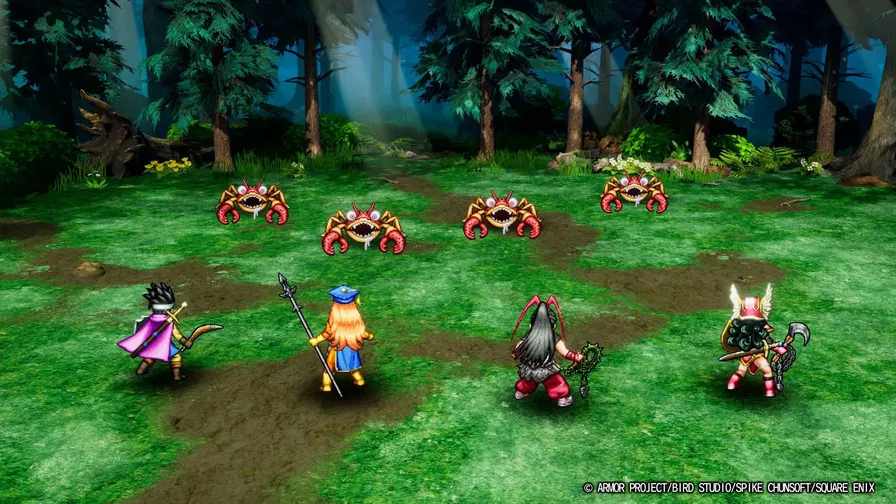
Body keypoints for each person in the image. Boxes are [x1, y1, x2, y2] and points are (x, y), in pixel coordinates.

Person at [511, 295, 583, 407]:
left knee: (527, 382)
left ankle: (521, 392)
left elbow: (517, 349)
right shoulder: (554, 338)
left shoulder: (528, 336)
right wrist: (576, 357)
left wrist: (516, 354)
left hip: (529, 368)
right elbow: (564, 352)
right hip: (547, 369)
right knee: (556, 384)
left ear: (531, 325)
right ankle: (562, 399)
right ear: (554, 325)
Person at [308, 285, 374, 392]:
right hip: (351, 346)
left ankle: (326, 385)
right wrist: (369, 336)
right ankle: (360, 380)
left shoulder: (334, 322)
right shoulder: (355, 322)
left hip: (337, 347)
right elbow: (363, 333)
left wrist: (316, 340)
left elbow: (327, 333)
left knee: (329, 366)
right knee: (352, 366)